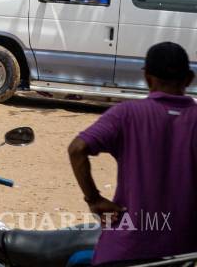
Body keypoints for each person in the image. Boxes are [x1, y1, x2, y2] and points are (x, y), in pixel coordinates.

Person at [68, 42, 196, 264]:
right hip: (183, 253)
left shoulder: (126, 114)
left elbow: (77, 148)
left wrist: (94, 199)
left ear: (147, 77)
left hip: (125, 251)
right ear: (189, 79)